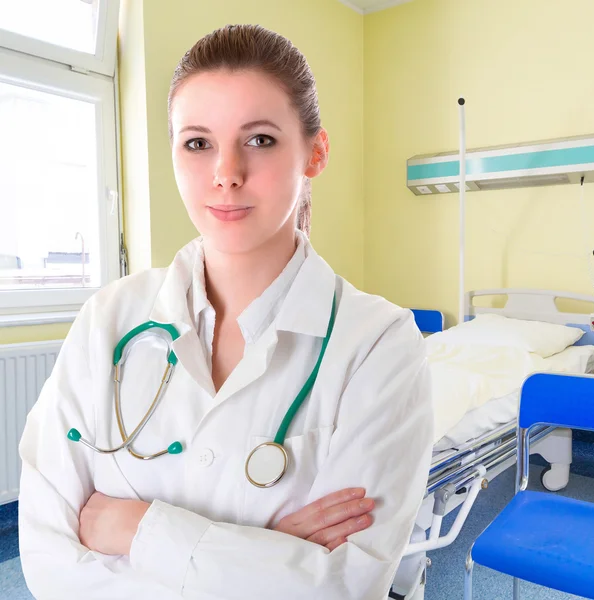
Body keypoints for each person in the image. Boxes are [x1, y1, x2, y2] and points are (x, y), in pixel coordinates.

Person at [18, 24, 433, 600]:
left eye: (259, 139)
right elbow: (48, 564)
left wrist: (131, 527)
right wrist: (267, 554)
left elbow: (342, 589)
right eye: (198, 143)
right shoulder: (107, 320)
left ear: (315, 153)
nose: (226, 172)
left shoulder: (379, 344)